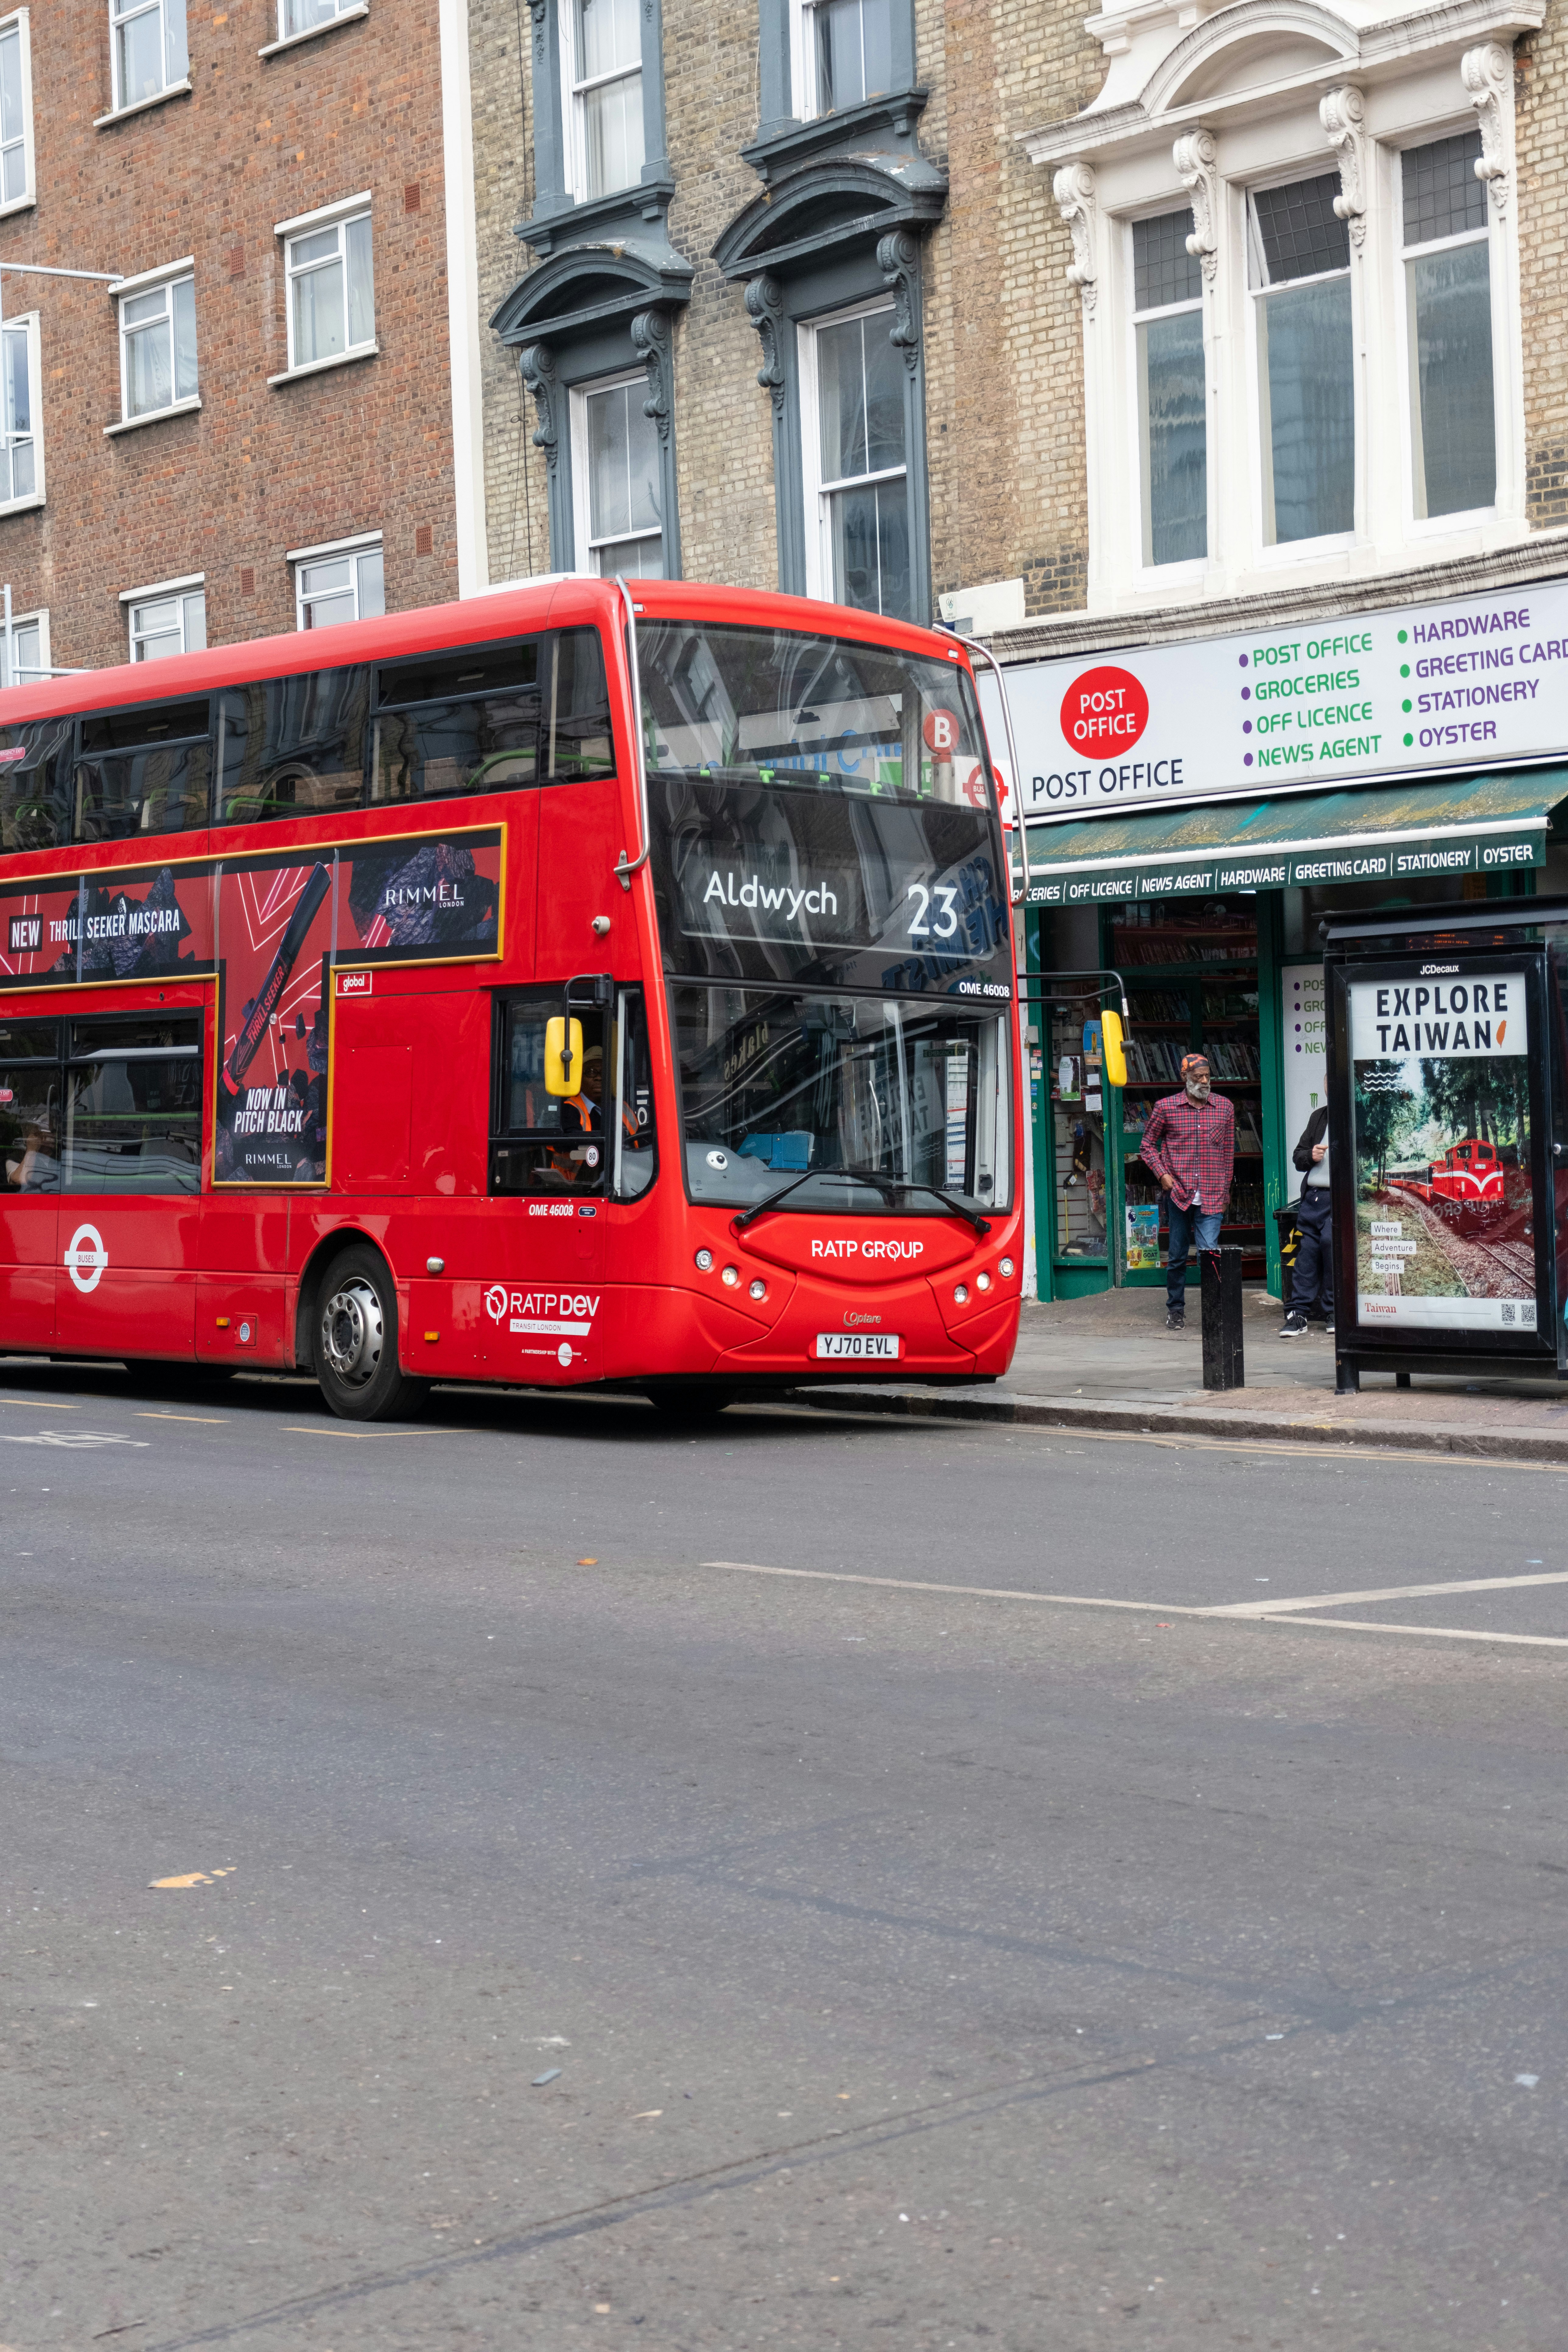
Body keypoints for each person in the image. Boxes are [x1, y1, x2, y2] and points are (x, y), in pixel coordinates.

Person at [1139, 1052, 1234, 1332]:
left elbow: (1228, 1154)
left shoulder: (1225, 1108)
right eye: (1198, 1078)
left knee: (1210, 1255)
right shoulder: (1166, 1108)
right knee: (1178, 1255)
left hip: (1213, 1193)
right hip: (1179, 1193)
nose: (1205, 1082)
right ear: (1185, 1078)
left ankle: (1213, 1311)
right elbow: (1147, 1145)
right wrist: (1162, 1175)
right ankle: (1176, 1310)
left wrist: (1225, 1191)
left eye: (1207, 1077)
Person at [1281, 1105, 1332, 1335]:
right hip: (1314, 1197)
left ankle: (1334, 1312)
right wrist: (1310, 1156)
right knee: (1307, 1254)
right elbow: (1298, 1157)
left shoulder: (1361, 1114)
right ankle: (1298, 1314)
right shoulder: (1319, 1116)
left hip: (1344, 1198)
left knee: (1331, 1246)